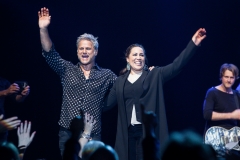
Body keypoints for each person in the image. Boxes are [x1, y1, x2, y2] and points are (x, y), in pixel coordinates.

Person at [104, 28, 206, 160]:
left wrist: (194, 43)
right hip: (128, 133)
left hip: (147, 132)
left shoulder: (155, 75)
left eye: (141, 55)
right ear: (127, 59)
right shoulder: (119, 82)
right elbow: (106, 104)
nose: (138, 58)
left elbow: (177, 65)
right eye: (135, 55)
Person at [37, 7, 117, 156]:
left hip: (93, 133)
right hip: (68, 132)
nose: (84, 52)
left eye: (88, 48)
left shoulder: (107, 75)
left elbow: (124, 87)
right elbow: (49, 53)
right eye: (81, 49)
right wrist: (43, 29)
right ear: (77, 51)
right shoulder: (66, 69)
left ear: (95, 51)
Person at [203, 63, 240, 159]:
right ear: (221, 76)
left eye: (232, 77)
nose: (229, 80)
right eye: (226, 77)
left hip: (233, 142)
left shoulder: (237, 95)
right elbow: (207, 114)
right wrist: (231, 115)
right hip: (215, 139)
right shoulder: (212, 92)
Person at [0, 77, 30, 142]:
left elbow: (16, 99)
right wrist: (5, 92)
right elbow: (6, 92)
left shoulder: (3, 81)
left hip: (2, 124)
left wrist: (23, 95)